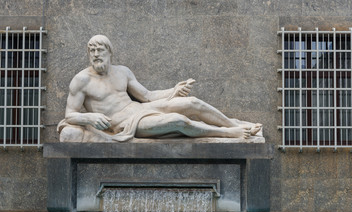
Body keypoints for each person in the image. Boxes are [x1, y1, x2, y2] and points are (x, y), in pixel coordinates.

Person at [58, 35, 262, 142]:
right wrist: (90, 118)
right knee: (178, 120)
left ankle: (230, 124)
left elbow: (146, 96)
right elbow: (70, 115)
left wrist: (173, 90)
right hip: (124, 124)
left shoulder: (122, 71)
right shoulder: (81, 80)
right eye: (92, 51)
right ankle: (230, 134)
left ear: (109, 52)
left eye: (100, 50)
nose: (95, 55)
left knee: (192, 102)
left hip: (140, 110)